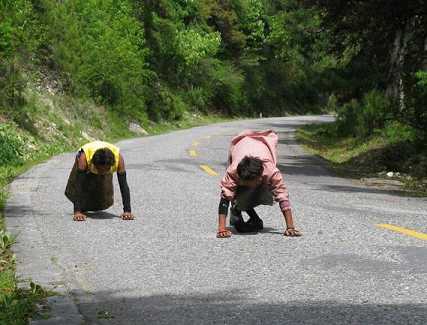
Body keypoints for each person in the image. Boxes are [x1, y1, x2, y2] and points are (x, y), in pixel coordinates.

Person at [217, 130, 301, 238]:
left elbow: (282, 196)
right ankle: (236, 208)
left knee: (265, 195)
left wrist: (290, 227)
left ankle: (245, 212)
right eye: (245, 182)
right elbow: (225, 196)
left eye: (251, 183)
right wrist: (221, 228)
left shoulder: (271, 171)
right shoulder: (234, 170)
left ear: (260, 176)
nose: (249, 187)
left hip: (260, 147)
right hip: (241, 145)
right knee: (236, 193)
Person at [65, 141, 134, 221]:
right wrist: (77, 212)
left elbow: (124, 185)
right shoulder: (83, 158)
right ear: (94, 164)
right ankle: (80, 207)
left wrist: (127, 211)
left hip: (102, 165)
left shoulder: (119, 159)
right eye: (100, 170)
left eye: (106, 170)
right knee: (77, 188)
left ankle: (88, 205)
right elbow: (78, 185)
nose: (103, 172)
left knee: (104, 200)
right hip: (85, 163)